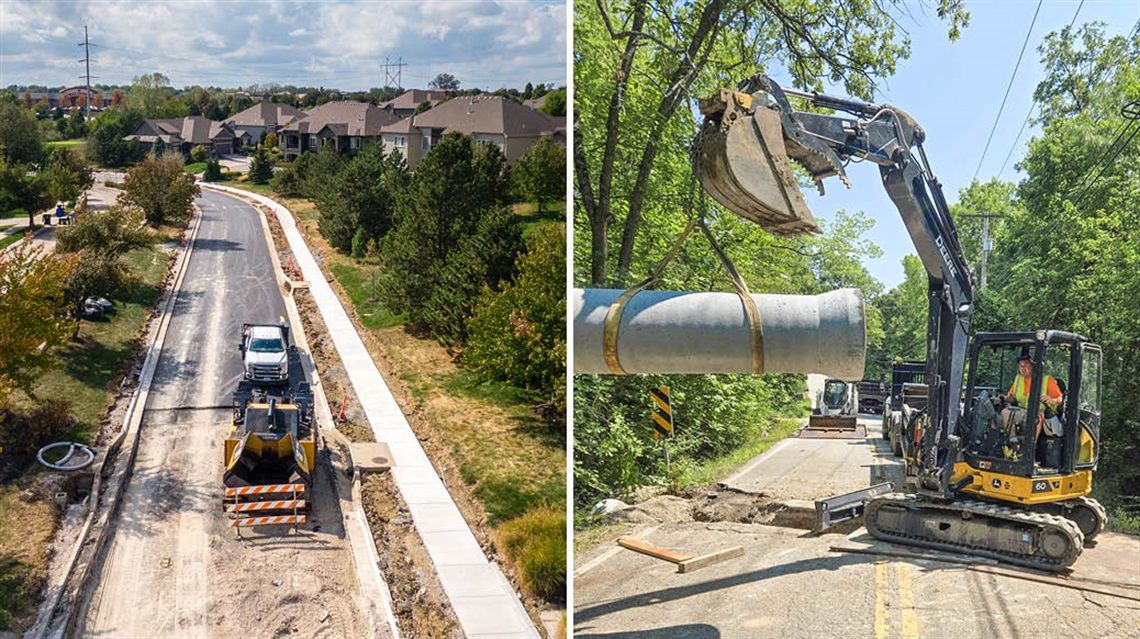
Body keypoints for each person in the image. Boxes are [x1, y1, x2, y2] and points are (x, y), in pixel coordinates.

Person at [999, 354, 1062, 449]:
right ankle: (1013, 443)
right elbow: (1012, 398)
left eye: (1026, 365)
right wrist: (1003, 398)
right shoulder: (1018, 379)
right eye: (1020, 366)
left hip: (1040, 412)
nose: (1023, 368)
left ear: (1033, 366)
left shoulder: (1046, 380)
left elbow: (1060, 400)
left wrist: (1052, 400)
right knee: (1005, 412)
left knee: (1037, 416)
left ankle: (1030, 447)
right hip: (1023, 410)